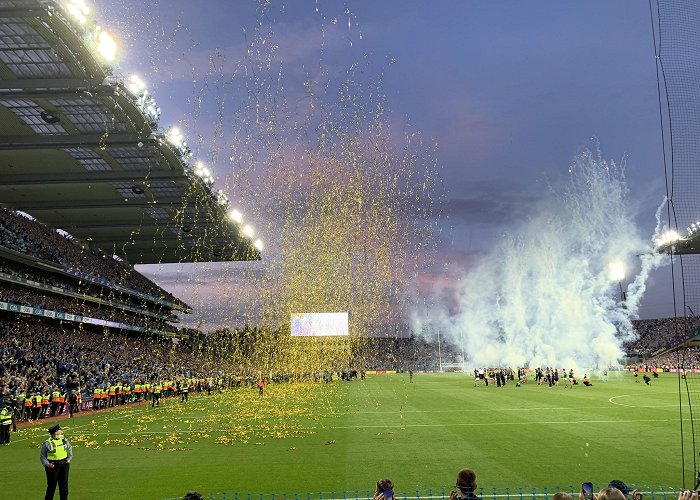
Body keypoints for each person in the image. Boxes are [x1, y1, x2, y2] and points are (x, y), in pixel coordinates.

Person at [40, 424, 72, 500]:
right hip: (53, 466)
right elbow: (42, 456)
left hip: (64, 464)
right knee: (52, 486)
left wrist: (69, 458)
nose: (61, 431)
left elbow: (69, 448)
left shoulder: (63, 439)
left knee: (64, 486)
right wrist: (47, 464)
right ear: (55, 432)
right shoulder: (47, 443)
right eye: (59, 430)